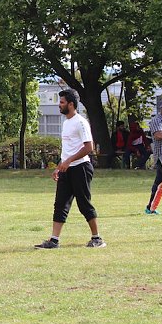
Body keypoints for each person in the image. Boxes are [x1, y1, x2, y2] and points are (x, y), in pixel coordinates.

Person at [35, 88, 105, 249]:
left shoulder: (81, 122)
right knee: (60, 204)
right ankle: (54, 240)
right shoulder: (66, 122)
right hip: (67, 169)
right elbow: (68, 149)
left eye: (62, 102)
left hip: (81, 168)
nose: (59, 105)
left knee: (83, 203)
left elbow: (89, 147)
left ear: (71, 104)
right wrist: (59, 167)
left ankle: (97, 238)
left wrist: (70, 161)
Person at [144, 99, 162, 214]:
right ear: (160, 109)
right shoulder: (156, 120)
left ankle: (150, 207)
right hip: (161, 156)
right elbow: (158, 135)